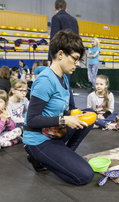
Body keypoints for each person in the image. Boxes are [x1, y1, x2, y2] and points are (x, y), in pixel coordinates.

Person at [23, 30, 94, 185]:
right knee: (85, 176)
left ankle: (61, 154)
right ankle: (40, 156)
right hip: (39, 139)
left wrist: (80, 116)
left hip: (54, 131)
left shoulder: (64, 78)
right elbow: (32, 120)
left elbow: (69, 110)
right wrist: (64, 120)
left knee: (90, 115)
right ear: (60, 54)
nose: (76, 64)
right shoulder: (45, 81)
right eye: (75, 59)